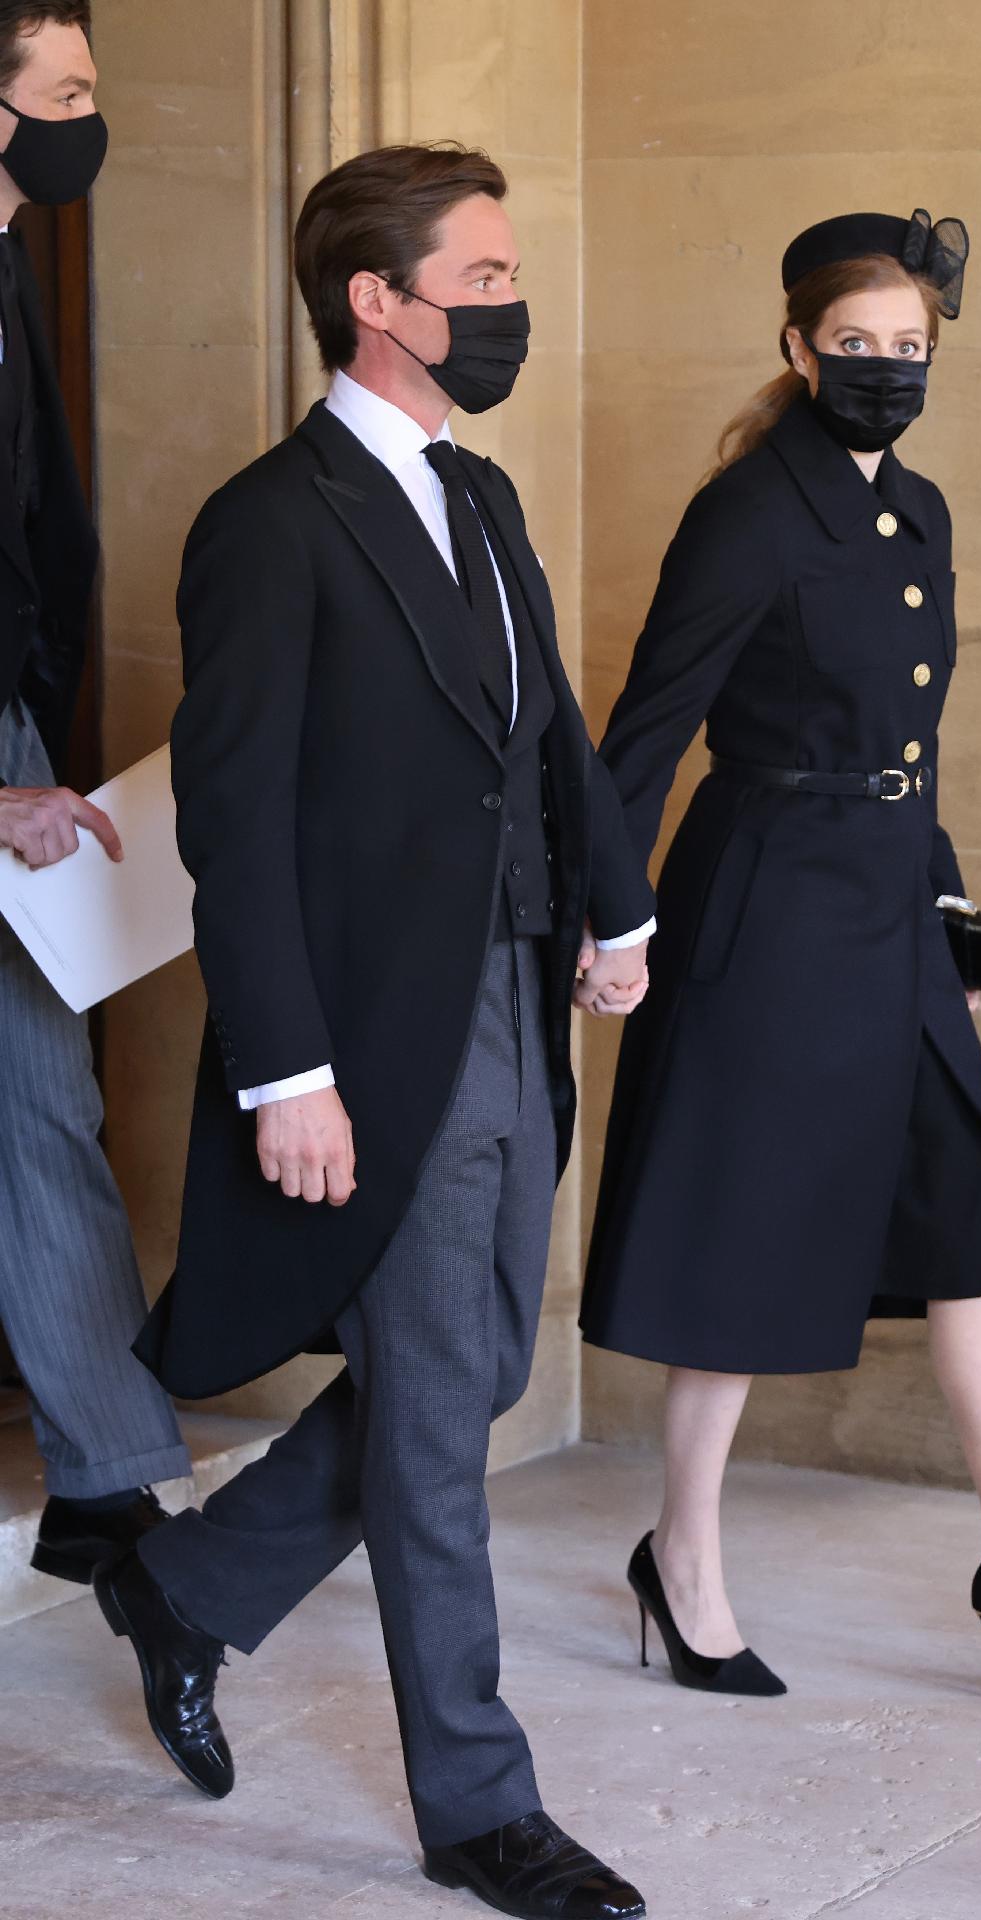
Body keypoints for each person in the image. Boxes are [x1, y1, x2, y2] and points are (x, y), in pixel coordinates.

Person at [95, 142, 653, 1920]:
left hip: (514, 991)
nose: (511, 306)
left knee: (475, 1369)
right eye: (482, 278)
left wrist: (615, 906)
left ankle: (187, 1586)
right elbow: (234, 822)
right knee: (431, 1425)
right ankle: (482, 1809)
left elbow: (549, 734)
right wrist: (288, 1069)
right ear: (376, 300)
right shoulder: (269, 521)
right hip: (370, 1032)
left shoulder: (479, 494)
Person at [580, 209, 981, 1705]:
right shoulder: (748, 512)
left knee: (969, 1226)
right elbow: (646, 733)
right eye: (856, 344)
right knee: (740, 1231)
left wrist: (947, 910)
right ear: (797, 348)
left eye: (909, 347)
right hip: (770, 910)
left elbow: (910, 742)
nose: (884, 369)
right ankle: (683, 1558)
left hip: (892, 916)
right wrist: (611, 919)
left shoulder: (920, 512)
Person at [0, 0, 191, 1581]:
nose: (87, 122)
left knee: (39, 1089)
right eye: (64, 93)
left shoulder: (6, 269)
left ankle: (107, 1477)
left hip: (12, 736)